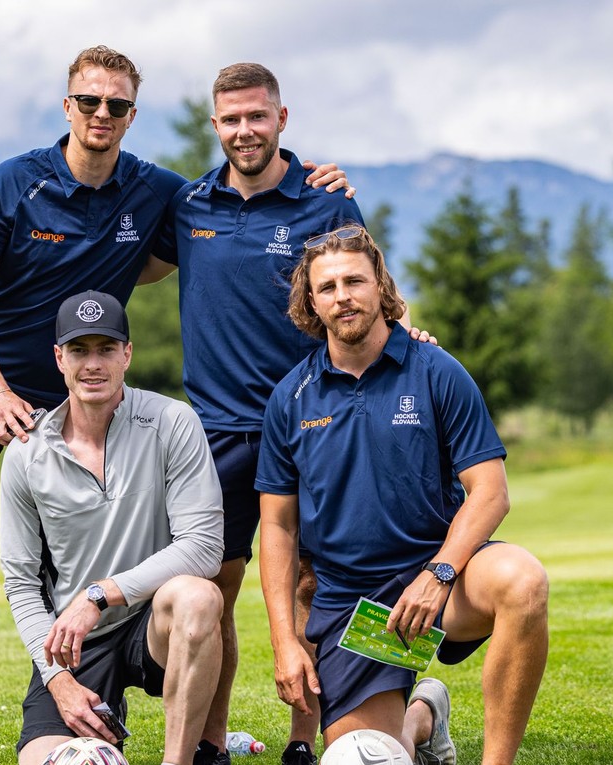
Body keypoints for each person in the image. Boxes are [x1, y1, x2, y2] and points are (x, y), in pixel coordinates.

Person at [0, 46, 348, 745]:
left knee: (190, 568)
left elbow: (247, 211)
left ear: (131, 115)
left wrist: (321, 179)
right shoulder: (15, 182)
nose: (101, 114)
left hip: (89, 377)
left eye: (116, 105)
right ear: (68, 107)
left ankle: (199, 724)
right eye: (89, 102)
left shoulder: (160, 193)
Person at [153, 63, 430, 765]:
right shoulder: (188, 206)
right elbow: (124, 251)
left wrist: (412, 337)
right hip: (215, 434)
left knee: (314, 579)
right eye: (231, 119)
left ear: (282, 118)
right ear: (214, 127)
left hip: (318, 423)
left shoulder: (326, 201)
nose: (245, 130)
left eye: (257, 116)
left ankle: (305, 740)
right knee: (215, 588)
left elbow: (367, 294)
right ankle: (210, 743)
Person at [255, 224, 549, 765]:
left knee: (523, 582)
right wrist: (285, 642)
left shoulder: (437, 371)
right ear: (311, 304)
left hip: (442, 580)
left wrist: (438, 574)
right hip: (355, 606)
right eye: (328, 287)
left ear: (381, 288)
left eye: (355, 281)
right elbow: (277, 527)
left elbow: (490, 492)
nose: (343, 296)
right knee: (366, 756)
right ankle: (423, 718)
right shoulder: (289, 398)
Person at [0, 291, 225, 765]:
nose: (93, 365)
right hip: (76, 642)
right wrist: (58, 681)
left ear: (127, 354)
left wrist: (100, 594)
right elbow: (20, 582)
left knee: (200, 596)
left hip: (151, 620)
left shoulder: (172, 421)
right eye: (80, 350)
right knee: (44, 760)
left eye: (106, 349)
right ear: (59, 358)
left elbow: (204, 548)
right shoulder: (26, 451)